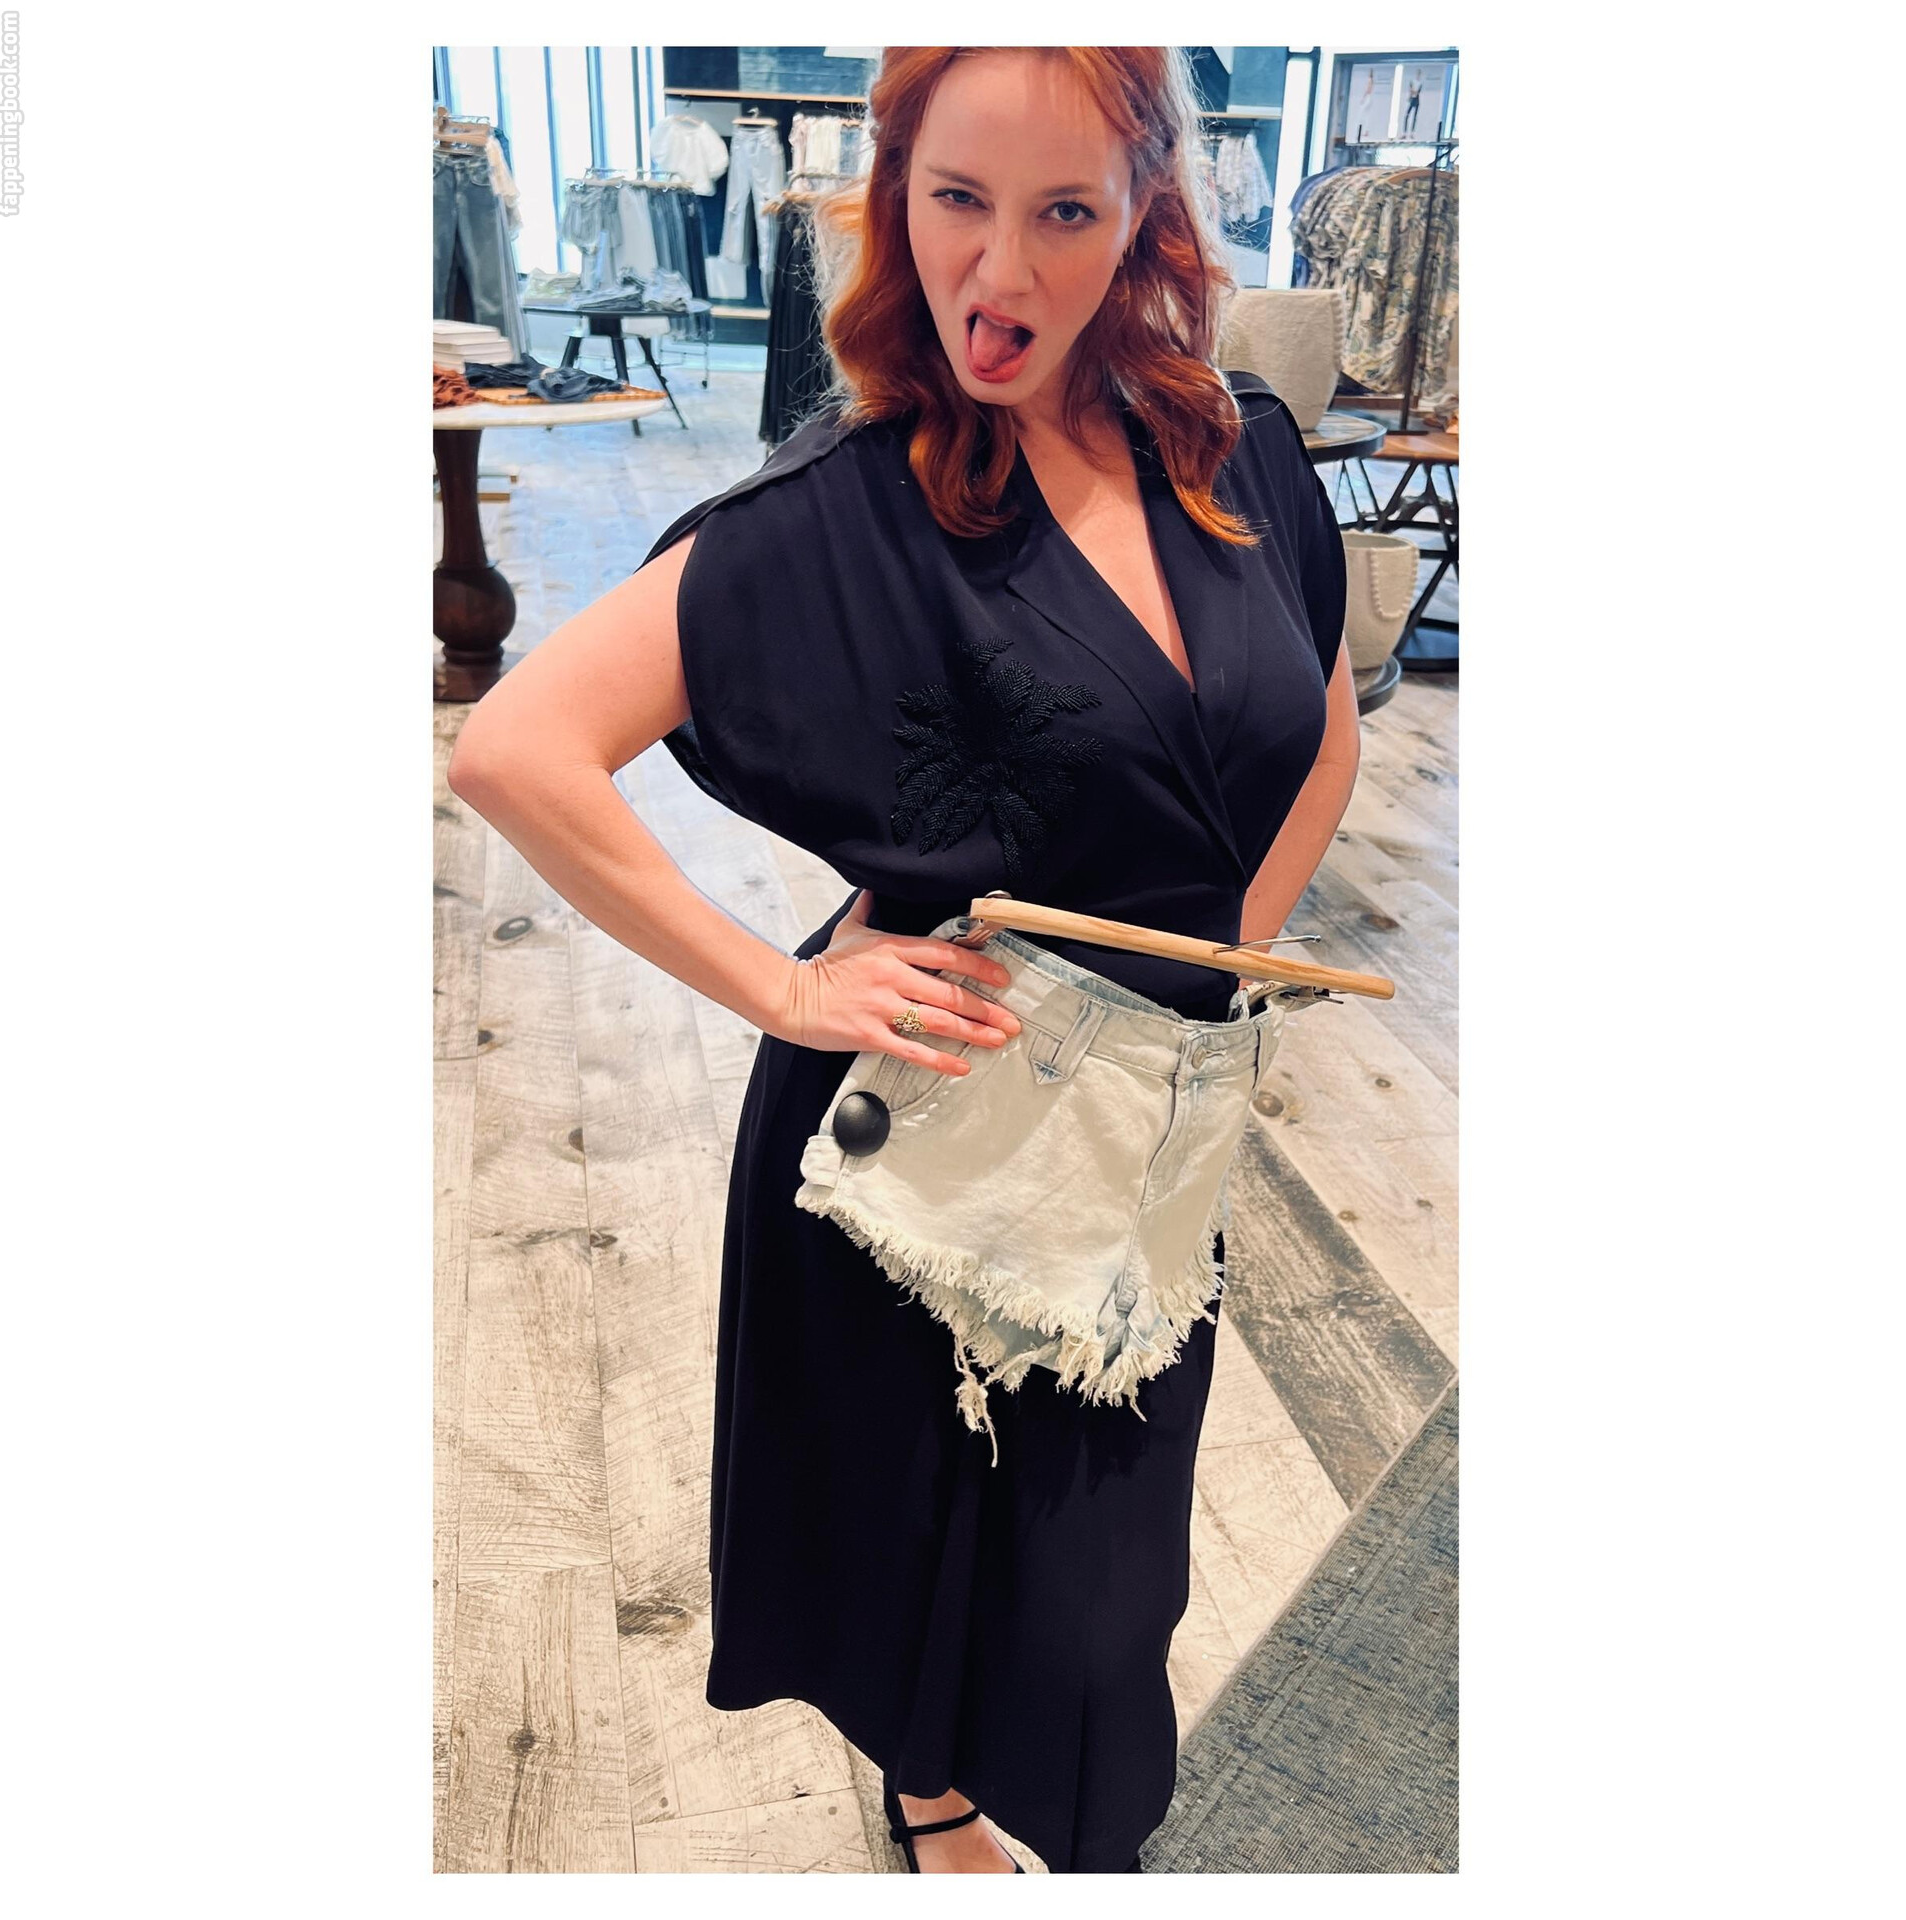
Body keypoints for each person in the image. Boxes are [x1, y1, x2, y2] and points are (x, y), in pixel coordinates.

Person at [448, 46, 1358, 1875]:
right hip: (935, 1112)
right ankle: (931, 1788)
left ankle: (1061, 1816)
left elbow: (1320, 727)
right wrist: (783, 990)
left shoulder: (1231, 444)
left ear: (1145, 213)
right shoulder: (850, 506)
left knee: (1106, 1579)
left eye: (1064, 212)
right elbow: (517, 748)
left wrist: (1210, 987)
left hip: (1148, 1122)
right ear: (894, 195)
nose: (999, 273)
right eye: (957, 201)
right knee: (921, 1528)